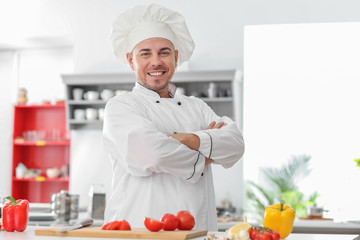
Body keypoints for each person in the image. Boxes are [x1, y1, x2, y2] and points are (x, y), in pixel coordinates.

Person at [102, 4, 244, 231]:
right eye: (145, 53)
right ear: (131, 60)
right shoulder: (120, 106)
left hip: (198, 231)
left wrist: (183, 139)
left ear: (176, 57)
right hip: (141, 231)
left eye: (164, 52)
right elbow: (153, 153)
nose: (156, 62)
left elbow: (236, 144)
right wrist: (208, 151)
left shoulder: (196, 106)